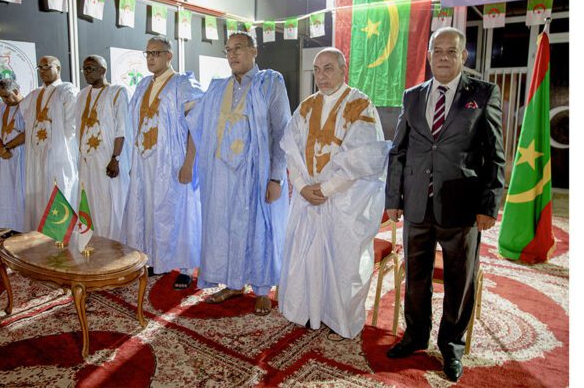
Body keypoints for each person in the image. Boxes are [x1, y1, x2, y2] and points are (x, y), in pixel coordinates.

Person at [385, 27, 505, 382]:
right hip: (417, 204)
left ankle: (451, 344)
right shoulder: (412, 97)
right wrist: (393, 198)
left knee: (459, 280)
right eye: (437, 50)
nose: (443, 57)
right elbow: (398, 150)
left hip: (461, 207)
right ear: (428, 55)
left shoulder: (483, 94)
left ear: (463, 56)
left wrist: (489, 204)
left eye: (451, 51)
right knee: (416, 277)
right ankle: (415, 335)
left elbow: (495, 154)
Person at [278, 48, 390, 340]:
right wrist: (302, 187)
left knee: (343, 262)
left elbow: (363, 159)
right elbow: (290, 150)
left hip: (344, 201)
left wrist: (326, 189)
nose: (322, 76)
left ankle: (340, 321)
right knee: (306, 257)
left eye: (328, 68)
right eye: (317, 70)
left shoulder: (360, 105)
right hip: (308, 199)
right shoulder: (306, 106)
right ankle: (306, 311)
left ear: (343, 69)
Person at [186, 31, 290, 316]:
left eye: (239, 48)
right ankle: (233, 283)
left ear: (254, 51)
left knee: (259, 230)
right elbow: (196, 119)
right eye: (228, 50)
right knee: (226, 229)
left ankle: (262, 289)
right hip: (222, 176)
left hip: (256, 175)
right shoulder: (218, 88)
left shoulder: (270, 82)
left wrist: (276, 177)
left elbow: (282, 131)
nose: (232, 54)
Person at [122, 36, 204, 289]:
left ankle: (187, 267)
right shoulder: (143, 85)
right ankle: (158, 260)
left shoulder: (183, 84)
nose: (150, 58)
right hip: (145, 162)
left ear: (169, 56)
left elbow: (197, 127)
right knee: (149, 210)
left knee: (180, 212)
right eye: (147, 53)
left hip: (173, 162)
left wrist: (189, 163)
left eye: (156, 53)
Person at [21, 56, 80, 231]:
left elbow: (72, 124)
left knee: (60, 189)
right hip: (38, 153)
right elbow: (23, 111)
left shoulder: (67, 90)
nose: (43, 71)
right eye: (40, 67)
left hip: (59, 153)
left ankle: (61, 235)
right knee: (39, 192)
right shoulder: (35, 94)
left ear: (58, 68)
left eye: (47, 66)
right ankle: (40, 236)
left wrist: (58, 144)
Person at [75, 55, 131, 241]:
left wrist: (116, 158)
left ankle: (115, 244)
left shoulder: (117, 92)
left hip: (108, 159)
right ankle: (93, 242)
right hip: (87, 160)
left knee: (109, 202)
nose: (86, 73)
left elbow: (122, 128)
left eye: (91, 68)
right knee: (90, 201)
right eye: (84, 69)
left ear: (103, 70)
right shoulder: (82, 95)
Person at [0, 78, 26, 238]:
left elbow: (28, 133)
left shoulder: (27, 106)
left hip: (21, 154)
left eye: (6, 96)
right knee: (8, 191)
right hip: (4, 155)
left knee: (21, 190)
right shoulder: (1, 107)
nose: (4, 100)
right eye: (1, 97)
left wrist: (7, 147)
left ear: (16, 91)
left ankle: (25, 226)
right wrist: (0, 147)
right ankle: (14, 226)